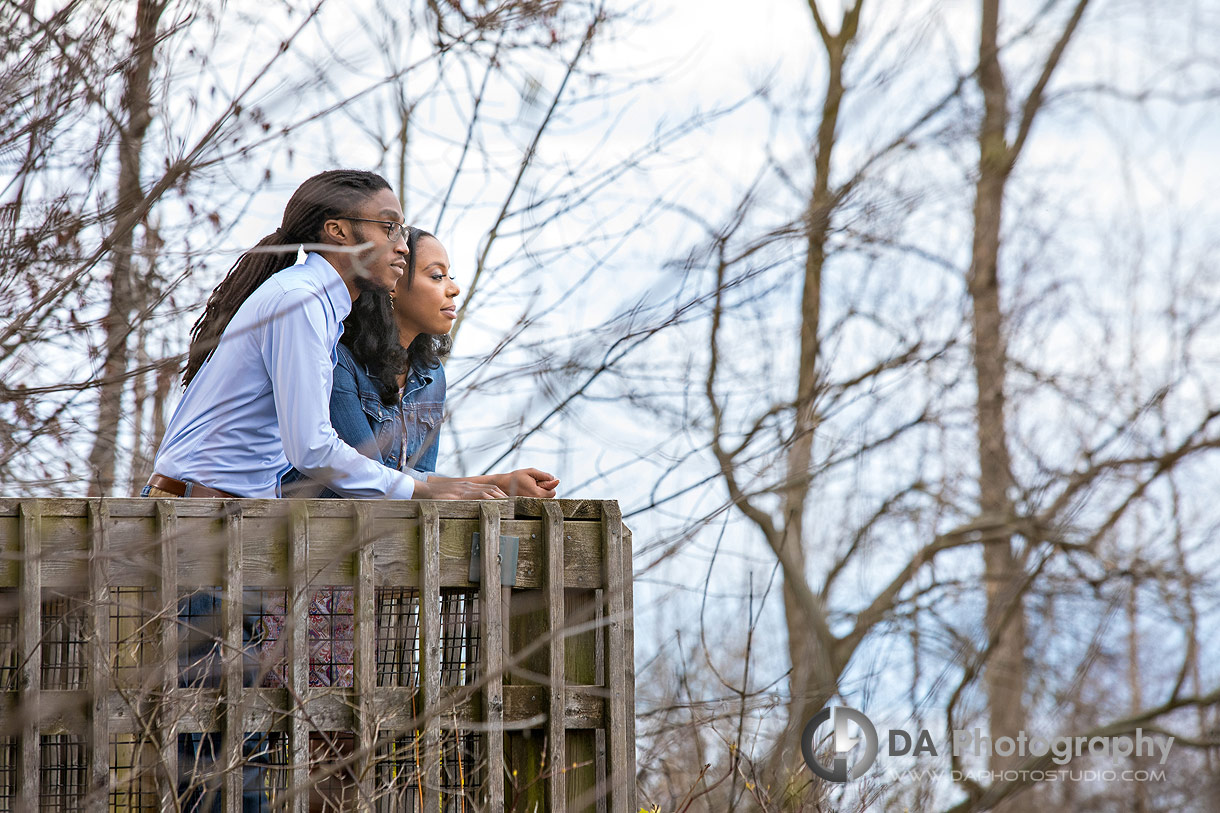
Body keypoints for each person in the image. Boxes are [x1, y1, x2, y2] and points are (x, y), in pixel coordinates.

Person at [145, 169, 505, 501]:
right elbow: (313, 449)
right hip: (191, 512)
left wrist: (488, 484)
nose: (402, 245)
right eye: (388, 227)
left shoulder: (318, 304)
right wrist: (422, 492)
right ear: (338, 231)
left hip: (228, 511)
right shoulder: (300, 301)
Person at [283, 226, 559, 500]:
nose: (454, 289)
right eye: (437, 276)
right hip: (307, 530)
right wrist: (487, 482)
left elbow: (417, 479)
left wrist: (504, 483)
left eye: (450, 276)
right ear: (393, 285)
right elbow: (369, 476)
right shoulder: (339, 362)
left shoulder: (430, 375)